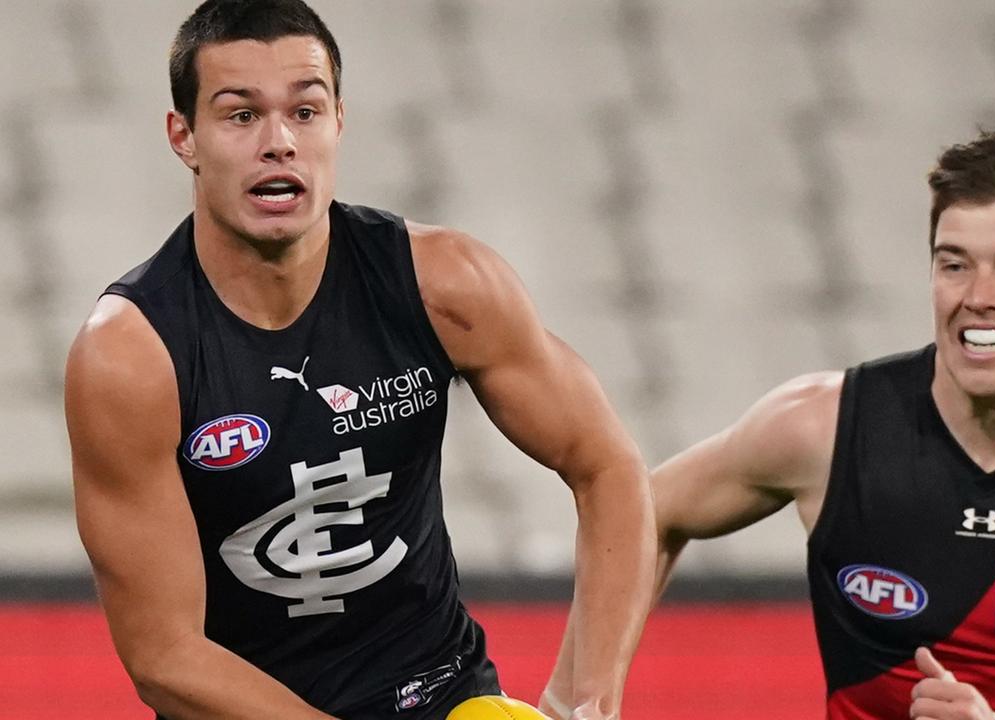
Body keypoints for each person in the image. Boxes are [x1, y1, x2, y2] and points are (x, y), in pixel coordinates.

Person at [63, 2, 654, 718]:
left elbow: (609, 466)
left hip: (443, 697)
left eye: (305, 112)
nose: (279, 142)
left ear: (341, 120)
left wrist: (584, 702)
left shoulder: (446, 283)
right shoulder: (130, 355)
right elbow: (163, 657)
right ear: (183, 136)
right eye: (241, 115)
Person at [553, 122, 995, 719]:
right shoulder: (825, 428)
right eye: (954, 264)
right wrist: (582, 700)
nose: (979, 297)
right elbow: (643, 508)